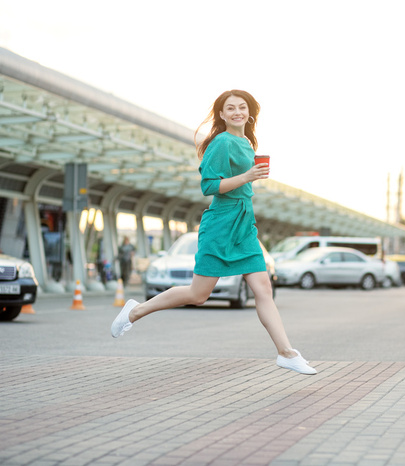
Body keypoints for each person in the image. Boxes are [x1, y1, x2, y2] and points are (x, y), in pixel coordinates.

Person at [111, 89, 316, 375]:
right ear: (221, 114)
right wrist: (246, 177)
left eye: (242, 107)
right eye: (230, 108)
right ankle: (135, 311)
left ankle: (286, 352)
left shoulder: (246, 142)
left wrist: (248, 179)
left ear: (250, 112)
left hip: (244, 225)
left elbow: (241, 184)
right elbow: (208, 186)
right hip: (220, 224)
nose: (236, 112)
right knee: (198, 294)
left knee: (263, 288)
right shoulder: (221, 143)